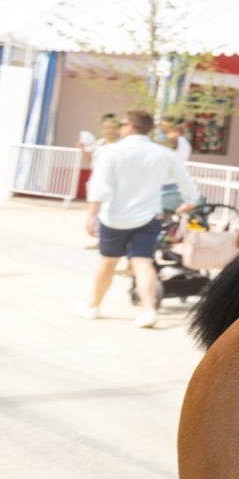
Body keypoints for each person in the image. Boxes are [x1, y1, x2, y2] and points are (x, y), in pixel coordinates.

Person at [79, 110, 200, 328]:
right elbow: (186, 182)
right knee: (143, 262)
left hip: (114, 216)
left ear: (131, 126)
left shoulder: (110, 151)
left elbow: (100, 185)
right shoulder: (163, 153)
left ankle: (93, 306)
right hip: (149, 216)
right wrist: (190, 200)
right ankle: (148, 311)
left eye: (122, 123)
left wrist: (91, 214)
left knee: (108, 262)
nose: (120, 127)